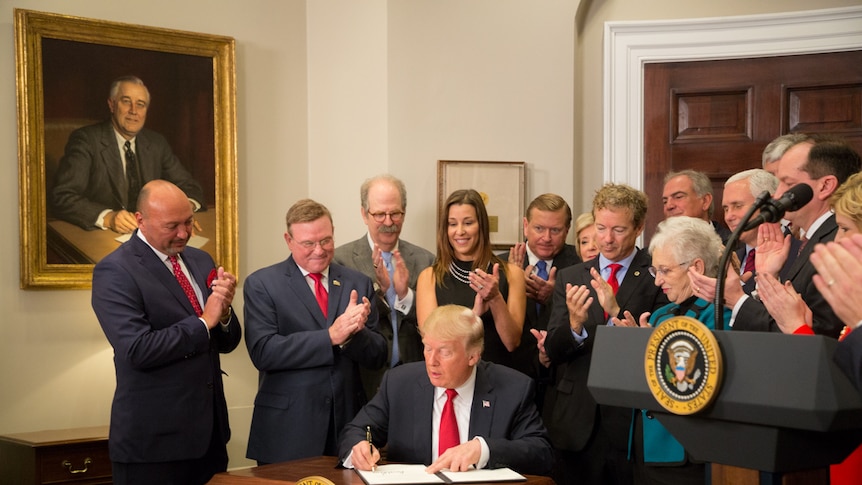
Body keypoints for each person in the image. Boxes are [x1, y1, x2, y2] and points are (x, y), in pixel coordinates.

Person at [91, 180, 240, 485]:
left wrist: (223, 312)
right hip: (153, 446)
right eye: (172, 226)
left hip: (210, 439)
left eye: (188, 222)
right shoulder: (115, 271)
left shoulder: (201, 260)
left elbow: (226, 342)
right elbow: (137, 350)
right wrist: (204, 321)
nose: (184, 233)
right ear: (140, 220)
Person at [542, 183, 669, 485]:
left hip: (630, 422)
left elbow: (659, 349)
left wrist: (614, 314)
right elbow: (554, 351)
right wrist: (574, 326)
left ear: (638, 227)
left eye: (619, 230)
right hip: (576, 423)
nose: (607, 239)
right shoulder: (572, 276)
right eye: (601, 228)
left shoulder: (658, 275)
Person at [244, 199, 388, 464]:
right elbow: (264, 352)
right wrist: (331, 336)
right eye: (308, 243)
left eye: (326, 240)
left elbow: (378, 355)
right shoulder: (263, 284)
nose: (319, 251)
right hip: (288, 429)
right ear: (289, 240)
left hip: (346, 426)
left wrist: (354, 334)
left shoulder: (357, 283)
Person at [338, 304, 555, 476]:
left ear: (473, 356)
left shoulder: (512, 388)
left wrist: (484, 449)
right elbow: (356, 430)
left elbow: (541, 452)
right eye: (428, 347)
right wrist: (358, 448)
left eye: (445, 352)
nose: (432, 361)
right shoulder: (399, 383)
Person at [691, 135, 861, 338]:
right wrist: (768, 277)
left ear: (824, 186)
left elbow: (822, 338)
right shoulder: (813, 239)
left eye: (788, 184)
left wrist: (737, 300)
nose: (777, 193)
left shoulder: (839, 243)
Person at [615, 216, 731, 485]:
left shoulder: (720, 315)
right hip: (646, 446)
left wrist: (654, 351)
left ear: (696, 267)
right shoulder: (660, 314)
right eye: (655, 272)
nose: (658, 282)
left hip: (685, 452)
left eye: (665, 271)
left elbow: (699, 380)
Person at [51, 75, 205, 233]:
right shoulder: (86, 140)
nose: (134, 111)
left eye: (141, 104)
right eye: (126, 101)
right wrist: (108, 217)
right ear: (112, 105)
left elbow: (190, 187)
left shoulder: (156, 143)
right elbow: (63, 196)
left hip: (151, 235)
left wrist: (183, 209)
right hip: (103, 236)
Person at [333, 175, 434, 399]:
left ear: (404, 213)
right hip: (361, 383)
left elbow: (434, 322)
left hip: (415, 380)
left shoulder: (426, 260)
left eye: (395, 213)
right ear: (364, 214)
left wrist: (404, 295)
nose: (388, 222)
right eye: (379, 214)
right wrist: (383, 293)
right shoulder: (340, 261)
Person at [417, 189, 526, 369]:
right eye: (452, 224)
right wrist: (473, 315)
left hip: (498, 377)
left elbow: (512, 342)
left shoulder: (512, 274)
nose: (460, 231)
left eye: (468, 223)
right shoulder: (429, 277)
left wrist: (495, 298)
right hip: (451, 381)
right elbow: (432, 341)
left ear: (481, 225)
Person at [502, 194, 581, 380]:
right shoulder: (501, 264)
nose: (546, 238)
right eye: (539, 228)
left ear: (567, 229)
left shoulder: (580, 265)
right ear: (525, 225)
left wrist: (554, 297)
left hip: (562, 375)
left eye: (555, 230)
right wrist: (512, 284)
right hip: (512, 373)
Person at [721, 168, 799, 295]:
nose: (728, 217)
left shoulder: (800, 254)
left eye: (738, 206)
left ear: (769, 205)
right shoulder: (728, 259)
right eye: (725, 209)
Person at [662, 169, 731, 243]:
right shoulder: (656, 249)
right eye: (665, 201)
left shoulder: (736, 246)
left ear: (705, 201)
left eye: (678, 197)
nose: (669, 206)